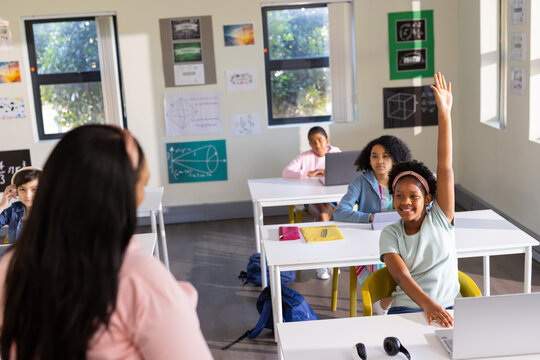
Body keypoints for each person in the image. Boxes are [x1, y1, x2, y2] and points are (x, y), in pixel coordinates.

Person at [0, 125, 213, 359]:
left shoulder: (11, 266)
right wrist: (173, 308)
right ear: (121, 196)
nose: (141, 197)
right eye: (141, 186)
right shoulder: (138, 279)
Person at [379, 72, 458, 328]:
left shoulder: (441, 218)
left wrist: (444, 113)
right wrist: (429, 306)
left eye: (414, 196)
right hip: (409, 308)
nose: (406, 202)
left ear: (428, 198)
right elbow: (402, 278)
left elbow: (445, 167)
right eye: (399, 196)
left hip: (451, 309)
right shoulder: (390, 234)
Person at [333, 135, 411, 298]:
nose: (379, 161)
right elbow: (340, 212)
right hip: (371, 241)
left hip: (403, 238)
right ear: (368, 160)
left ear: (395, 159)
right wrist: (370, 217)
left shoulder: (406, 180)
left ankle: (396, 300)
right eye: (374, 156)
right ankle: (384, 300)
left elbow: (427, 206)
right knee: (382, 266)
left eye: (385, 156)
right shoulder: (361, 182)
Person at [282, 126, 340, 279]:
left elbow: (347, 171)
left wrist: (330, 172)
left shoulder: (335, 153)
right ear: (309, 144)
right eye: (313, 142)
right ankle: (326, 261)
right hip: (312, 199)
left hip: (333, 199)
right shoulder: (305, 157)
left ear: (327, 140)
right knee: (322, 215)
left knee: (323, 217)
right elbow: (286, 172)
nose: (317, 145)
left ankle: (322, 261)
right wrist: (307, 173)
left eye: (320, 140)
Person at [0, 167, 41, 244]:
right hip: (19, 255)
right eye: (22, 189)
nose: (28, 195)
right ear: (16, 191)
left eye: (34, 189)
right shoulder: (14, 210)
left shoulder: (51, 211)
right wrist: (2, 204)